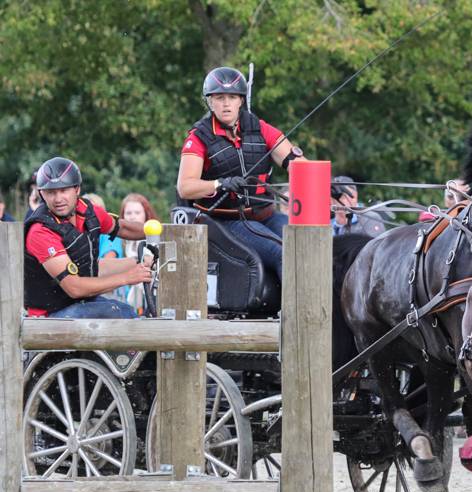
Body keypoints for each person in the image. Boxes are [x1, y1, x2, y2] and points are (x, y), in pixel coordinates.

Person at [176, 66, 305, 281]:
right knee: (283, 253)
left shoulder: (261, 128)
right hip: (228, 222)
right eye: (220, 98)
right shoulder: (198, 138)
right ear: (210, 102)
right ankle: (293, 304)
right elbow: (185, 187)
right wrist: (220, 183)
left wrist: (325, 185)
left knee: (306, 243)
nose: (226, 103)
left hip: (267, 216)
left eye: (232, 97)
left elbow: (298, 165)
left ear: (241, 100)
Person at [23, 157, 152, 319]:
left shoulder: (89, 212)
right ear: (42, 193)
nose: (58, 199)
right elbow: (74, 288)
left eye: (64, 190)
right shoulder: (40, 231)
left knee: (127, 311)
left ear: (77, 189)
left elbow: (124, 228)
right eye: (51, 192)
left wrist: (160, 236)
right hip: (47, 316)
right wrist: (127, 277)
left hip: (79, 303)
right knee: (124, 315)